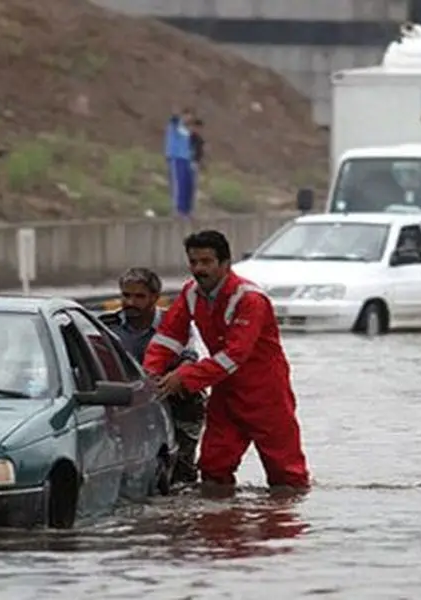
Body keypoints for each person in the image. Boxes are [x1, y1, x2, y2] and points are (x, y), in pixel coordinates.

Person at [144, 230, 310, 492]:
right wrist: (149, 374)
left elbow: (235, 355)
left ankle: (282, 528)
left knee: (286, 476)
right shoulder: (191, 293)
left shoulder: (250, 299)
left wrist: (185, 377)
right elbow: (168, 337)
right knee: (213, 469)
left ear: (225, 264)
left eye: (207, 262)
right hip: (224, 388)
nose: (199, 269)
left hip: (266, 393)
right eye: (194, 262)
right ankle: (219, 528)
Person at [98, 267, 205, 486]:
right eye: (126, 295)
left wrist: (171, 379)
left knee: (180, 472)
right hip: (126, 401)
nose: (130, 302)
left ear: (155, 298)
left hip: (171, 397)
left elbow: (189, 358)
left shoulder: (174, 323)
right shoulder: (107, 327)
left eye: (139, 297)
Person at [164, 108, 195, 221]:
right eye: (187, 116)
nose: (189, 119)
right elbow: (173, 119)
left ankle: (187, 210)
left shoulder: (187, 131)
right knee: (179, 184)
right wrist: (177, 115)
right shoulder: (176, 125)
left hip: (187, 159)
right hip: (176, 158)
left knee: (188, 185)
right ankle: (178, 211)